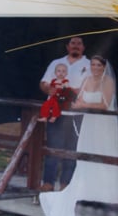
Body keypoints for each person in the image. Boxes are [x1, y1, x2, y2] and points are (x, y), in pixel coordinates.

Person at [40, 55, 118, 216]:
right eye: (92, 64)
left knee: (102, 153)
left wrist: (85, 104)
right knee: (85, 153)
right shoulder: (86, 79)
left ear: (104, 66)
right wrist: (81, 104)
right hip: (88, 123)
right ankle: (87, 189)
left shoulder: (107, 81)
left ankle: (105, 190)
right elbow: (77, 102)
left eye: (98, 65)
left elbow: (105, 104)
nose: (95, 68)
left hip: (104, 124)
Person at [39, 36, 90, 191]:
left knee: (72, 150)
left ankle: (65, 185)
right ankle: (48, 182)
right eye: (73, 43)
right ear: (67, 47)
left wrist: (75, 91)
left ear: (83, 47)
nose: (76, 46)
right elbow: (43, 83)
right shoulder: (56, 63)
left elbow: (91, 87)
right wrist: (49, 89)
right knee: (53, 148)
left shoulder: (88, 65)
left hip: (77, 114)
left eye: (79, 44)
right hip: (57, 113)